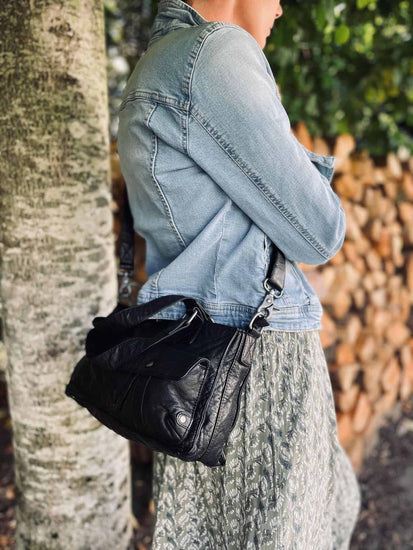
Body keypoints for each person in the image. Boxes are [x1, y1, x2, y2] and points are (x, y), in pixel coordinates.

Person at [117, 0, 362, 548]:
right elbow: (321, 231)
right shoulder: (215, 54)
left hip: (188, 364)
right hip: (253, 358)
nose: (279, 9)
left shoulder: (157, 63)